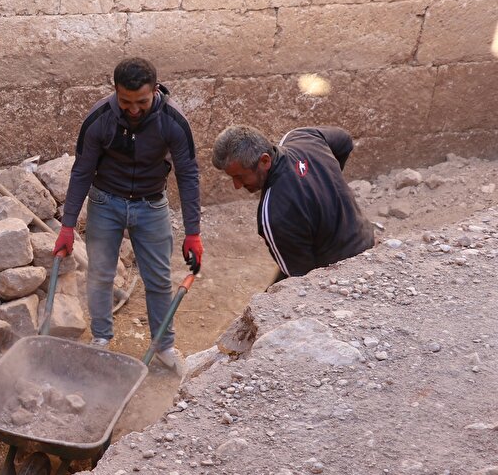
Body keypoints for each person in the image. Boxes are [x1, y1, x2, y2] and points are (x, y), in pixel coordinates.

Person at [54, 58, 202, 374]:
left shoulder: (173, 122)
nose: (133, 110)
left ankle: (163, 346)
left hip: (151, 205)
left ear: (155, 92)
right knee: (100, 275)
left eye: (142, 102)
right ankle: (101, 339)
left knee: (159, 279)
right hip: (105, 202)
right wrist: (67, 226)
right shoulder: (99, 119)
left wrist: (193, 232)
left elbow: (188, 174)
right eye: (126, 102)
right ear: (115, 93)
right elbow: (81, 171)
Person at [211, 125, 374, 279]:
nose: (236, 185)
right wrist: (331, 179)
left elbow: (301, 279)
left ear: (265, 161)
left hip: (342, 272)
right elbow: (344, 140)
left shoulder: (274, 215)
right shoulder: (303, 137)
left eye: (239, 176)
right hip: (366, 237)